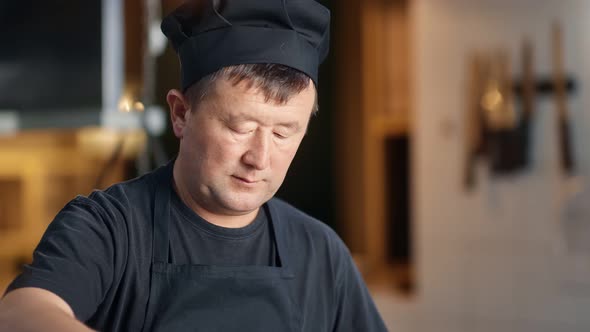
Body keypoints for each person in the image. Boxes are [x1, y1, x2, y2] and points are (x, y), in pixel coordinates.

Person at [0, 1, 388, 331]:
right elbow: (20, 312)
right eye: (240, 127)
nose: (260, 158)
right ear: (182, 113)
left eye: (285, 133)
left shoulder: (320, 254)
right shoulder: (110, 228)